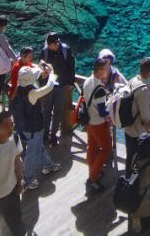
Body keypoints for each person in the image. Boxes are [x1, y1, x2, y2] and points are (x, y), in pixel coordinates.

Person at [12, 59, 61, 190]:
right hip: (33, 128)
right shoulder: (32, 93)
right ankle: (28, 179)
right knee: (31, 154)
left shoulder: (19, 87)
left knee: (38, 146)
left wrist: (41, 67)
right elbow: (49, 87)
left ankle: (48, 165)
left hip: (22, 126)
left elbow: (32, 74)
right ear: (29, 80)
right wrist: (52, 73)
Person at [82, 55, 113, 194]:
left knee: (92, 148)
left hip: (88, 121)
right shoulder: (100, 88)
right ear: (100, 71)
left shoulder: (87, 81)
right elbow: (102, 112)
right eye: (106, 68)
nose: (108, 70)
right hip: (98, 123)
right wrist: (110, 114)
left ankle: (92, 171)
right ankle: (94, 178)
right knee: (106, 149)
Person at [40, 31, 76, 144]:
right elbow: (40, 65)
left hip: (61, 86)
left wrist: (70, 83)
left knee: (58, 112)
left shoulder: (66, 50)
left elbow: (71, 67)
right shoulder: (45, 51)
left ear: (56, 43)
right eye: (48, 45)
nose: (49, 47)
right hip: (49, 86)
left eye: (51, 45)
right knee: (47, 111)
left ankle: (53, 135)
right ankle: (45, 134)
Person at [125, 56, 150, 173]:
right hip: (137, 131)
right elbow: (145, 117)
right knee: (138, 160)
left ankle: (127, 181)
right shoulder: (143, 90)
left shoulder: (133, 80)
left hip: (127, 125)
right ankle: (134, 185)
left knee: (129, 157)